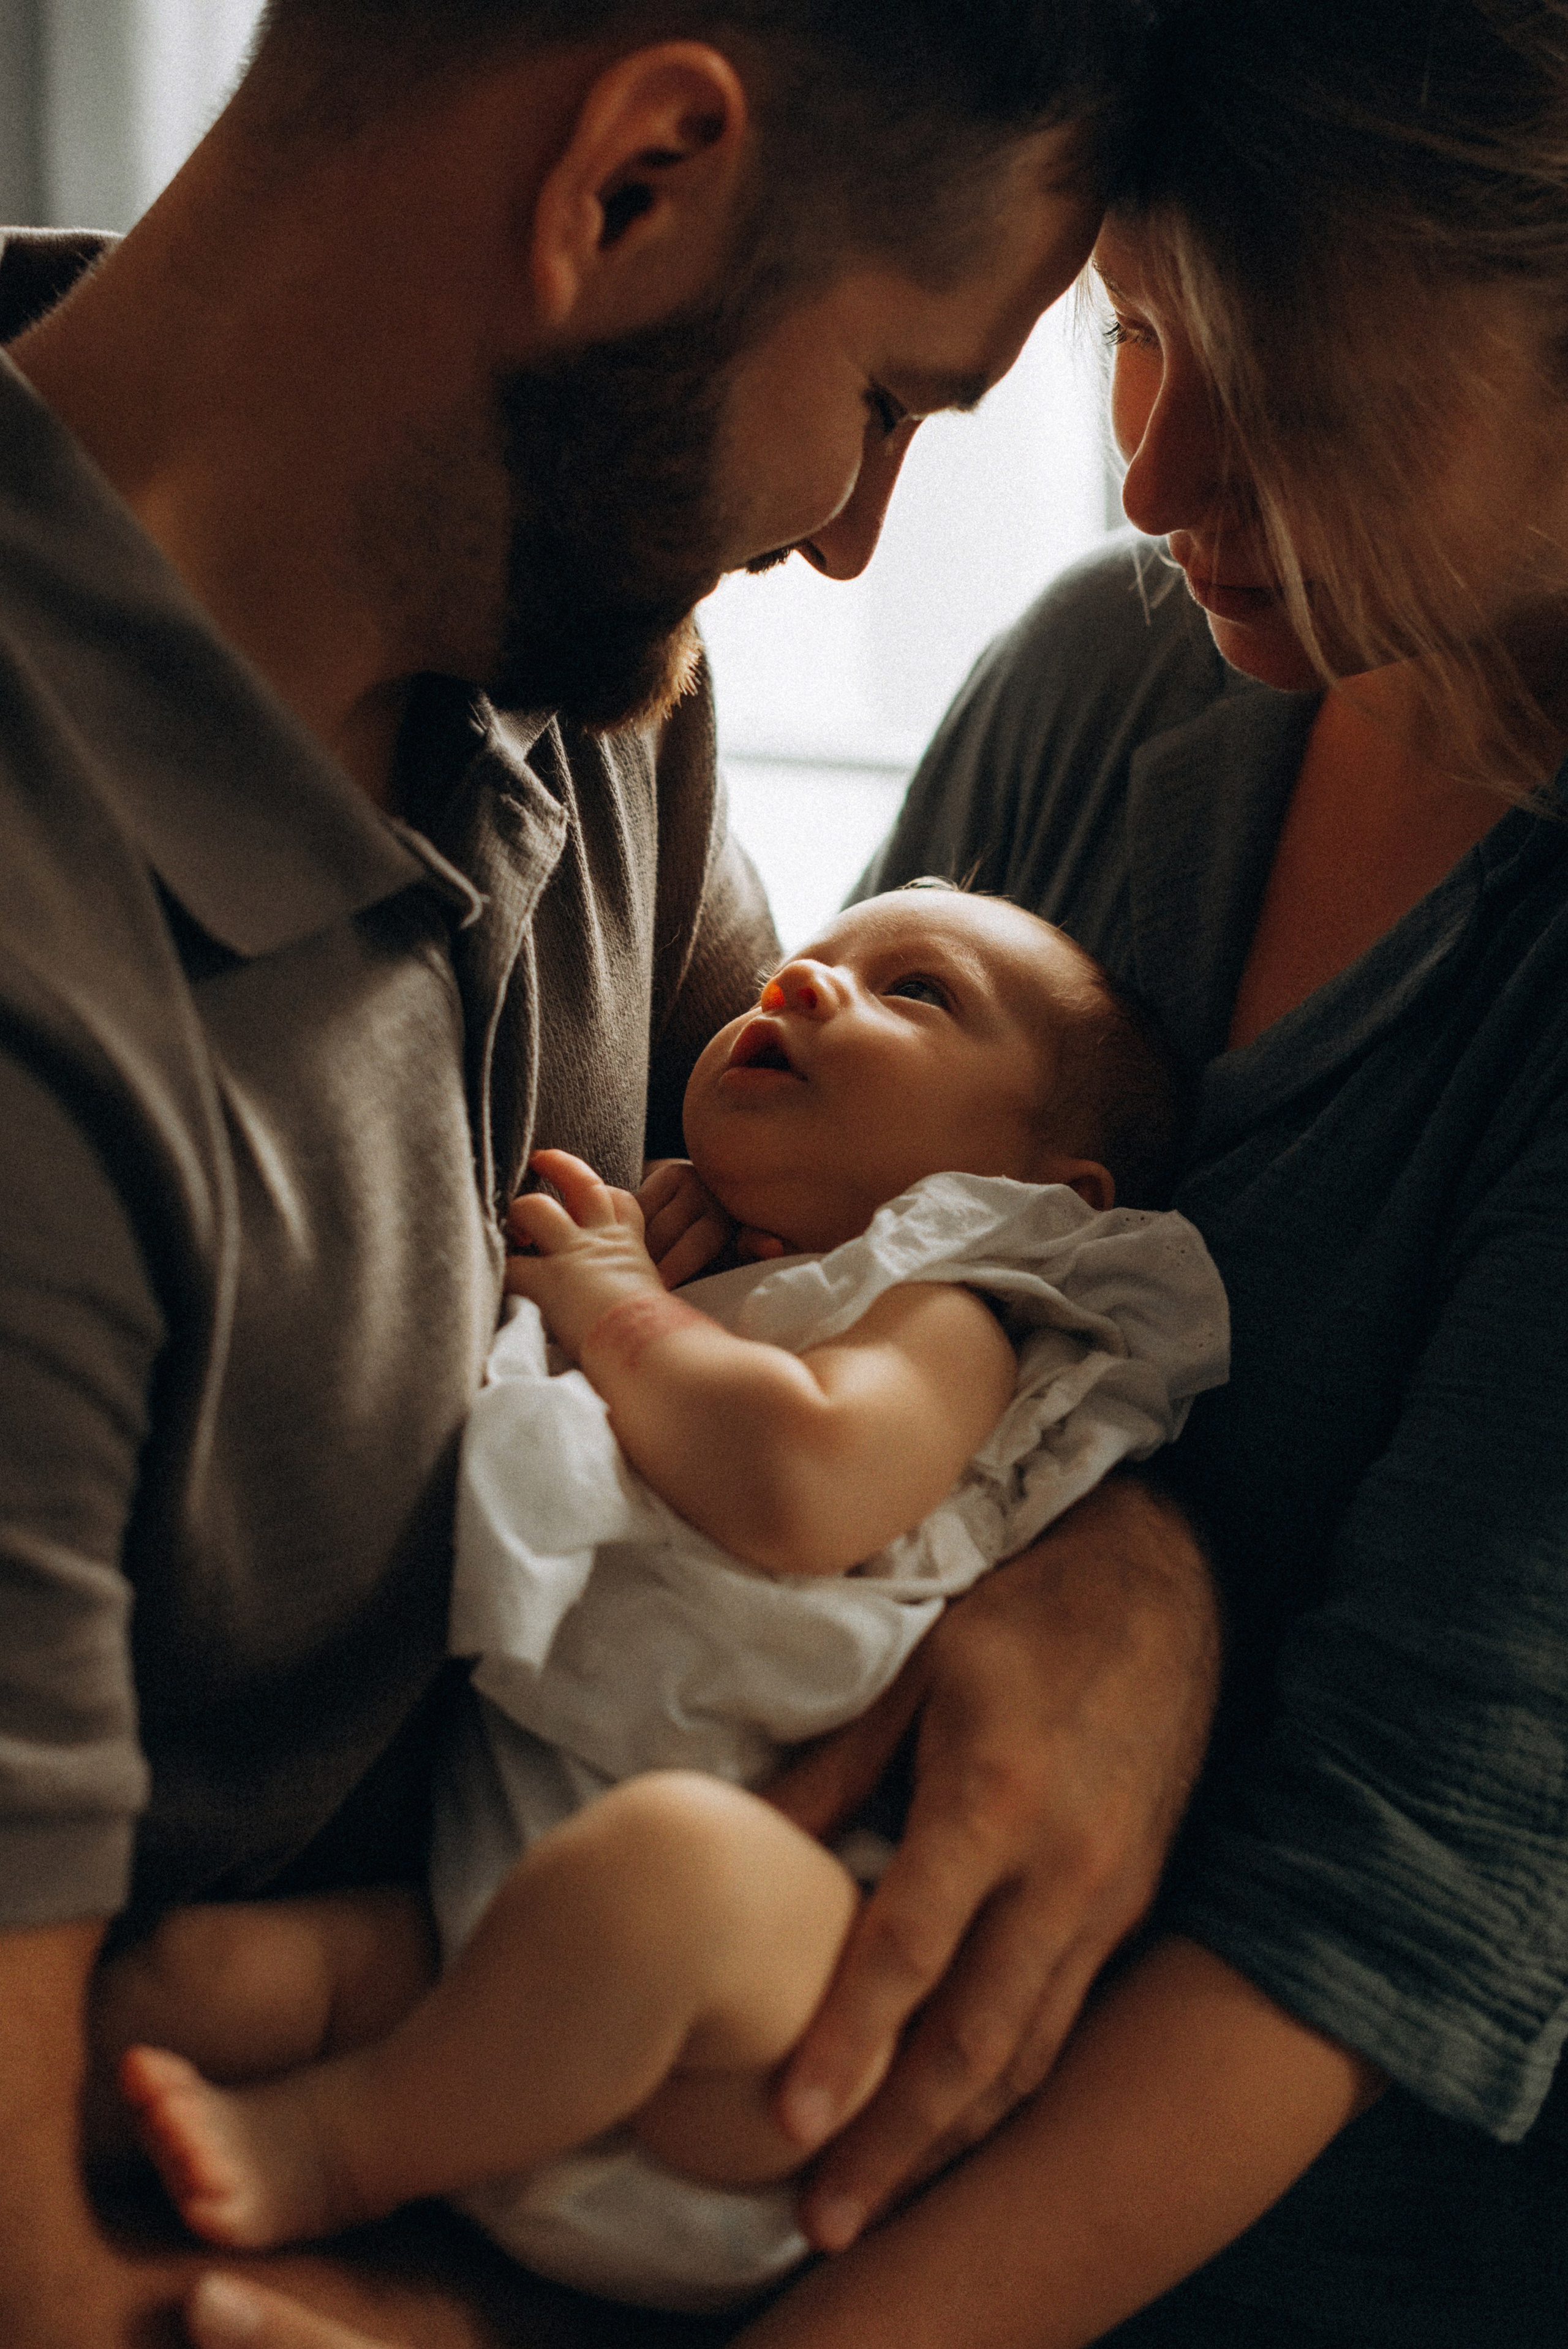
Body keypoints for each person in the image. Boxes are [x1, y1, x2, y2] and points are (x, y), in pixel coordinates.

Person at [0, 4, 1230, 2346]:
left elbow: (889, 1242)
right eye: (889, 403)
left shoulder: (553, 668)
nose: (855, 535)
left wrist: (1132, 1571)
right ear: (632, 186)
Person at [680, 0, 1566, 2342]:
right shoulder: (1106, 679)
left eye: (1282, 370)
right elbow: (834, 1257)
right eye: (1135, 333)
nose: (1157, 475)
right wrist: (1116, 1524)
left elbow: (1394, 1916)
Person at [101, 886, 1227, 2312]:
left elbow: (802, 1478)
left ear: (1046, 1192)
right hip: (486, 1956)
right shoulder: (739, 1274)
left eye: (917, 991)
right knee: (190, 1988)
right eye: (806, 960)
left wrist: (615, 1300)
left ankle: (336, 2149)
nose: (803, 986)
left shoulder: (955, 1315)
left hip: (741, 2035)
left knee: (667, 1869)